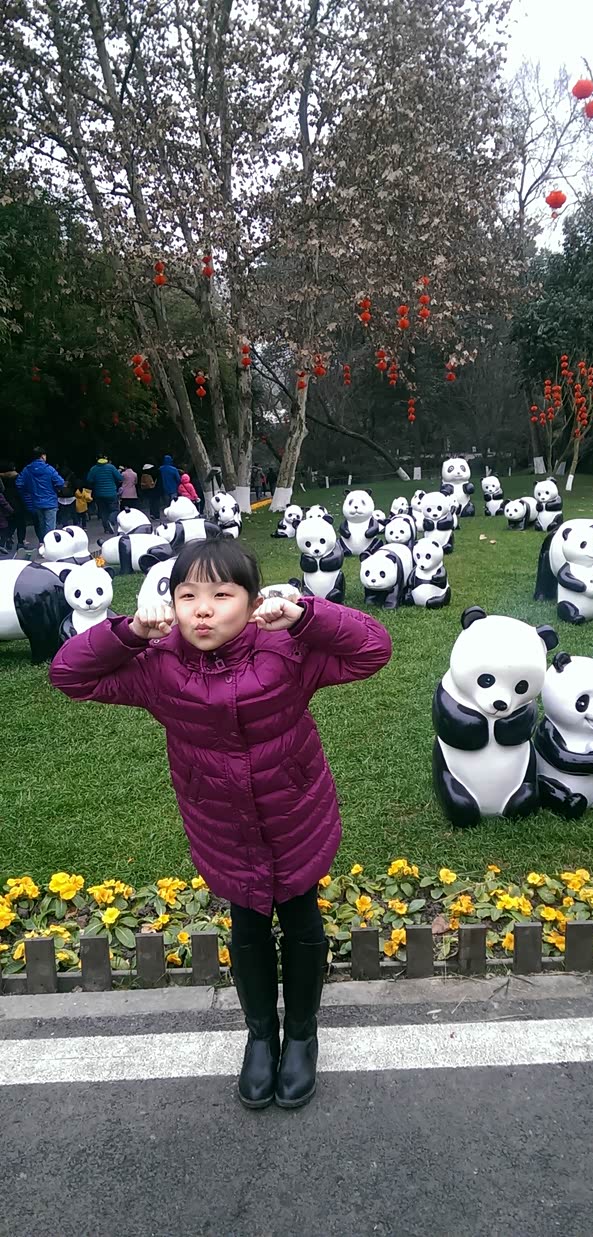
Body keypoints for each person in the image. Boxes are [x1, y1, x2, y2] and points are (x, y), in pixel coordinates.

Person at [49, 536, 392, 1112]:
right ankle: (261, 1036)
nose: (202, 611)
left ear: (253, 602)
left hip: (295, 816)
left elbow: (372, 649)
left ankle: (301, 1036)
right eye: (188, 596)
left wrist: (306, 615)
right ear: (171, 604)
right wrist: (128, 632)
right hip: (222, 826)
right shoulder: (158, 666)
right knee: (248, 926)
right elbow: (68, 674)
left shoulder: (286, 651)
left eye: (221, 595)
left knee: (302, 920)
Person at [15, 448, 64, 541]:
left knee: (41, 524)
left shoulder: (27, 470)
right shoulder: (49, 469)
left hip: (36, 502)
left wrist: (28, 492)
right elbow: (60, 482)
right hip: (50, 502)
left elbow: (19, 484)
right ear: (43, 456)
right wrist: (55, 489)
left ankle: (43, 543)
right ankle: (50, 544)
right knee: (50, 526)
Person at [86, 454, 123, 534]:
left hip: (99, 494)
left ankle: (106, 528)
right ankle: (111, 520)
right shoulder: (111, 467)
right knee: (115, 509)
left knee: (103, 511)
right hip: (111, 493)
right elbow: (120, 478)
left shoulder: (94, 469)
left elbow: (89, 480)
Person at [0, 461, 28, 551]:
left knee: (9, 523)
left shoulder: (2, 478)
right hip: (18, 502)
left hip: (6, 503)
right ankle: (20, 543)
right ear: (14, 468)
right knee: (21, 524)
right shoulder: (18, 477)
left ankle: (8, 538)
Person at [0, 479, 13, 553]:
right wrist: (11, 511)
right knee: (4, 530)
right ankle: (1, 545)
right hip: (1, 516)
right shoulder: (0, 495)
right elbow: (4, 504)